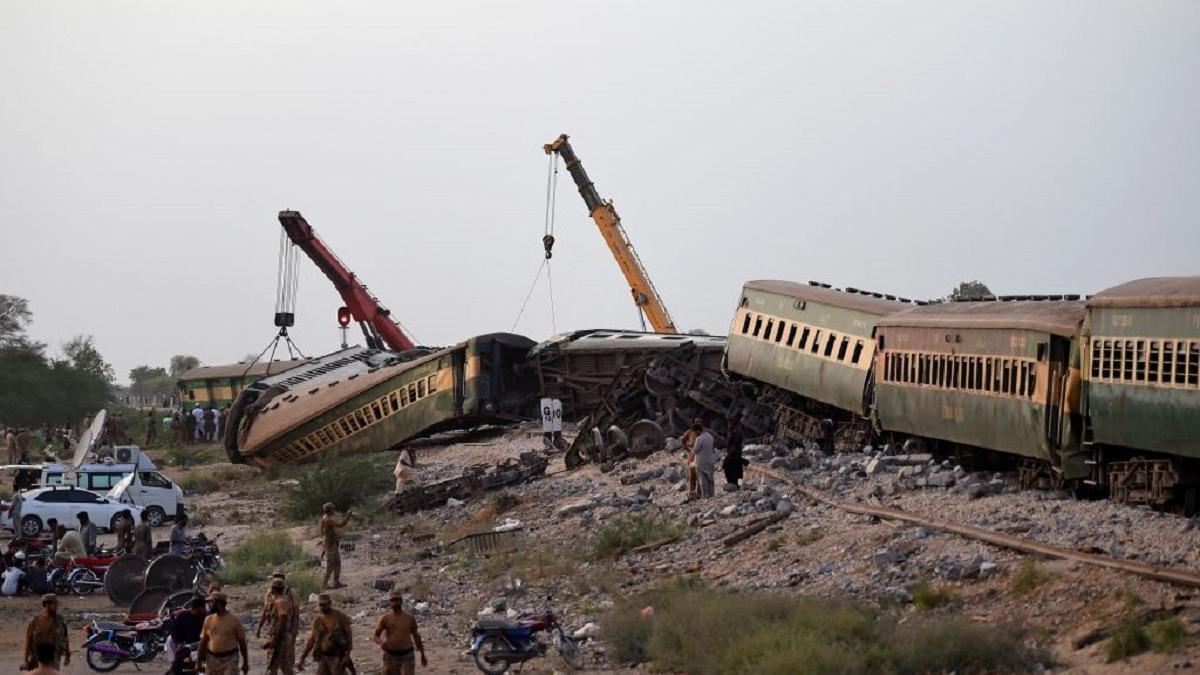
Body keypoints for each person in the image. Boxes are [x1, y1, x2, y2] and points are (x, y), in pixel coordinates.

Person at [298, 593, 353, 675]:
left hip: (337, 656)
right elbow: (312, 640)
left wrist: (347, 655)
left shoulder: (339, 617)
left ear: (329, 603)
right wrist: (303, 658)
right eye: (320, 605)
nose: (322, 607)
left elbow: (348, 636)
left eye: (324, 605)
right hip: (323, 656)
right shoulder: (318, 621)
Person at [373, 590, 427, 674]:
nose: (394, 602)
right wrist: (381, 643)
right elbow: (376, 635)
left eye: (396, 600)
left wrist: (422, 654)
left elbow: (416, 636)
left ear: (401, 601)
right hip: (391, 655)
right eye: (392, 600)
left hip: (407, 655)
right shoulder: (386, 618)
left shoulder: (409, 618)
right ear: (389, 602)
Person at [198, 591, 249, 674]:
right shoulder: (208, 619)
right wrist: (198, 662)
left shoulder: (234, 620)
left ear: (218, 603)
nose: (209, 605)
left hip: (229, 659)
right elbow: (203, 641)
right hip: (212, 660)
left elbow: (242, 643)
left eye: (211, 603)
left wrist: (245, 663)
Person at [260, 576, 300, 675]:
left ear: (273, 589)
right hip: (280, 636)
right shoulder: (277, 600)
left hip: (281, 637)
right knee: (285, 666)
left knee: (272, 667)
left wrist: (275, 639)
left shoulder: (281, 601)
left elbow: (283, 620)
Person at [24, 593, 69, 670]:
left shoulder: (59, 620)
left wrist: (67, 654)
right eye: (54, 604)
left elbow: (65, 637)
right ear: (47, 604)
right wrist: (25, 660)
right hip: (37, 658)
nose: (56, 607)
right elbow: (28, 641)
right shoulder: (35, 621)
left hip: (54, 658)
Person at [168, 596, 208, 674]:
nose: (205, 609)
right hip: (187, 646)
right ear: (198, 608)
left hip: (203, 646)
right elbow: (175, 632)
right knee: (177, 663)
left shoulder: (206, 618)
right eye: (204, 607)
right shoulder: (182, 617)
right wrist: (179, 643)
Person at [319, 503, 352, 590]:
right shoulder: (328, 519)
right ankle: (324, 584)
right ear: (330, 510)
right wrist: (348, 516)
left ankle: (336, 582)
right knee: (331, 564)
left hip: (331, 543)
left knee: (337, 562)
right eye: (333, 509)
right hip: (329, 544)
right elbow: (341, 525)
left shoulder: (325, 517)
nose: (334, 510)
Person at [679, 418, 704, 501]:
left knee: (701, 475)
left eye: (699, 422)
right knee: (692, 475)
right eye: (697, 422)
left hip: (701, 456)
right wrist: (687, 449)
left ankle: (700, 493)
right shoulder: (689, 432)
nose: (698, 424)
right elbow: (682, 440)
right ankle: (692, 493)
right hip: (692, 456)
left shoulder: (705, 432)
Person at [691, 422, 716, 499]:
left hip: (701, 461)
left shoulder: (699, 439)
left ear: (698, 430)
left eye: (694, 432)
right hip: (710, 460)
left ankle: (705, 495)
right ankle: (712, 494)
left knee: (702, 479)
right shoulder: (710, 437)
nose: (694, 434)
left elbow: (695, 450)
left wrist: (691, 449)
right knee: (710, 478)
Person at [722, 419, 746, 489]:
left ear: (734, 425)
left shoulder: (737, 434)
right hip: (731, 456)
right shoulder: (729, 433)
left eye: (730, 424)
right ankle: (732, 484)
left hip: (735, 456)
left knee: (739, 473)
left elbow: (735, 446)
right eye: (728, 424)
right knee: (729, 471)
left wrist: (728, 456)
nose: (729, 426)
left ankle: (739, 486)